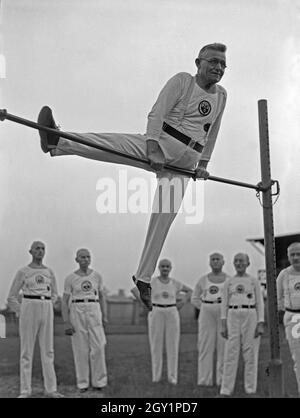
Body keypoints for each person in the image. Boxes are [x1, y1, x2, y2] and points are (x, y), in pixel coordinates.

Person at [37, 43, 227, 310]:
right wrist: (152, 147)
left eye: (222, 64)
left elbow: (213, 131)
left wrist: (203, 163)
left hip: (186, 163)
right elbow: (158, 113)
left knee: (164, 219)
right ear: (199, 63)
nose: (218, 68)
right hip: (161, 144)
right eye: (213, 62)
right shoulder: (183, 81)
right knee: (113, 145)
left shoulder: (222, 95)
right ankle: (58, 141)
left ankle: (143, 278)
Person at [7, 241, 64, 398]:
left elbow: (54, 293)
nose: (40, 251)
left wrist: (49, 305)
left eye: (43, 248)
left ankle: (51, 389)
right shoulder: (23, 272)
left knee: (48, 350)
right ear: (30, 251)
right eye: (37, 248)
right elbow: (11, 297)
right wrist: (21, 311)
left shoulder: (49, 272)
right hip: (28, 305)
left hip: (45, 306)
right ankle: (25, 391)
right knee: (26, 350)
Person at [131, 258, 192, 384]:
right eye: (163, 266)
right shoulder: (152, 282)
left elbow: (189, 291)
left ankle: (172, 377)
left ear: (170, 268)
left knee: (173, 344)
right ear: (159, 268)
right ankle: (156, 377)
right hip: (156, 310)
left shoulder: (175, 283)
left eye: (167, 266)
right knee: (156, 344)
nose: (165, 269)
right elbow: (135, 290)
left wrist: (184, 301)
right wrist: (145, 303)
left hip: (171, 310)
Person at [61, 248, 108, 393]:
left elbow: (102, 297)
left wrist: (105, 315)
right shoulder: (70, 278)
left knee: (99, 347)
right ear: (76, 259)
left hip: (94, 308)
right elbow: (64, 301)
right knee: (80, 348)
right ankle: (83, 383)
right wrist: (66, 321)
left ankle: (99, 382)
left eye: (88, 257)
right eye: (82, 257)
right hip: (77, 309)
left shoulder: (97, 276)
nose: (85, 260)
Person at [219, 253, 264, 396]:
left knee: (250, 353)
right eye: (236, 261)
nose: (239, 264)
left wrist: (260, 322)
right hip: (233, 315)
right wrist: (223, 324)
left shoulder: (253, 281)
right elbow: (224, 304)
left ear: (248, 263)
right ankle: (226, 389)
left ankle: (250, 388)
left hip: (250, 314)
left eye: (242, 261)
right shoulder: (229, 282)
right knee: (230, 353)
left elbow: (260, 303)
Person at [191, 253, 230, 387]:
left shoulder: (229, 280)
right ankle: (204, 380)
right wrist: (204, 307)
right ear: (209, 262)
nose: (215, 262)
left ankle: (222, 380)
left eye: (218, 259)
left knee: (223, 345)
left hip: (223, 312)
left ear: (223, 262)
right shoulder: (203, 280)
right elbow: (194, 298)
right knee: (205, 345)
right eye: (212, 259)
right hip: (207, 310)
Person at [277, 242, 300, 396]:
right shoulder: (284, 275)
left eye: (299, 254)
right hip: (293, 318)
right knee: (298, 356)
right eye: (292, 254)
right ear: (288, 256)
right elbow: (277, 298)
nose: (296, 257)